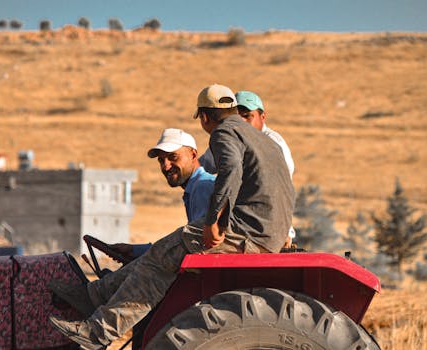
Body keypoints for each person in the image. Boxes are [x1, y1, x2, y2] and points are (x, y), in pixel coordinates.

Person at [48, 84, 295, 349]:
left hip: (247, 231)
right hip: (267, 231)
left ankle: (97, 333)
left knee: (160, 259)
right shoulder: (264, 139)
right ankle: (94, 295)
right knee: (158, 254)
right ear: (233, 109)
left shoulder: (224, 132)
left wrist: (214, 222)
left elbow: (231, 172)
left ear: (204, 117)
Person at [108, 128, 216, 261]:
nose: (166, 166)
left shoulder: (202, 187)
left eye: (173, 157)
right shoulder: (194, 188)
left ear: (193, 155)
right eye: (161, 160)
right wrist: (135, 250)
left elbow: (198, 246)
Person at [199, 90, 295, 178]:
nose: (241, 121)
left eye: (246, 116)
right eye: (236, 116)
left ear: (263, 117)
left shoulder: (273, 142)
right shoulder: (227, 140)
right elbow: (201, 167)